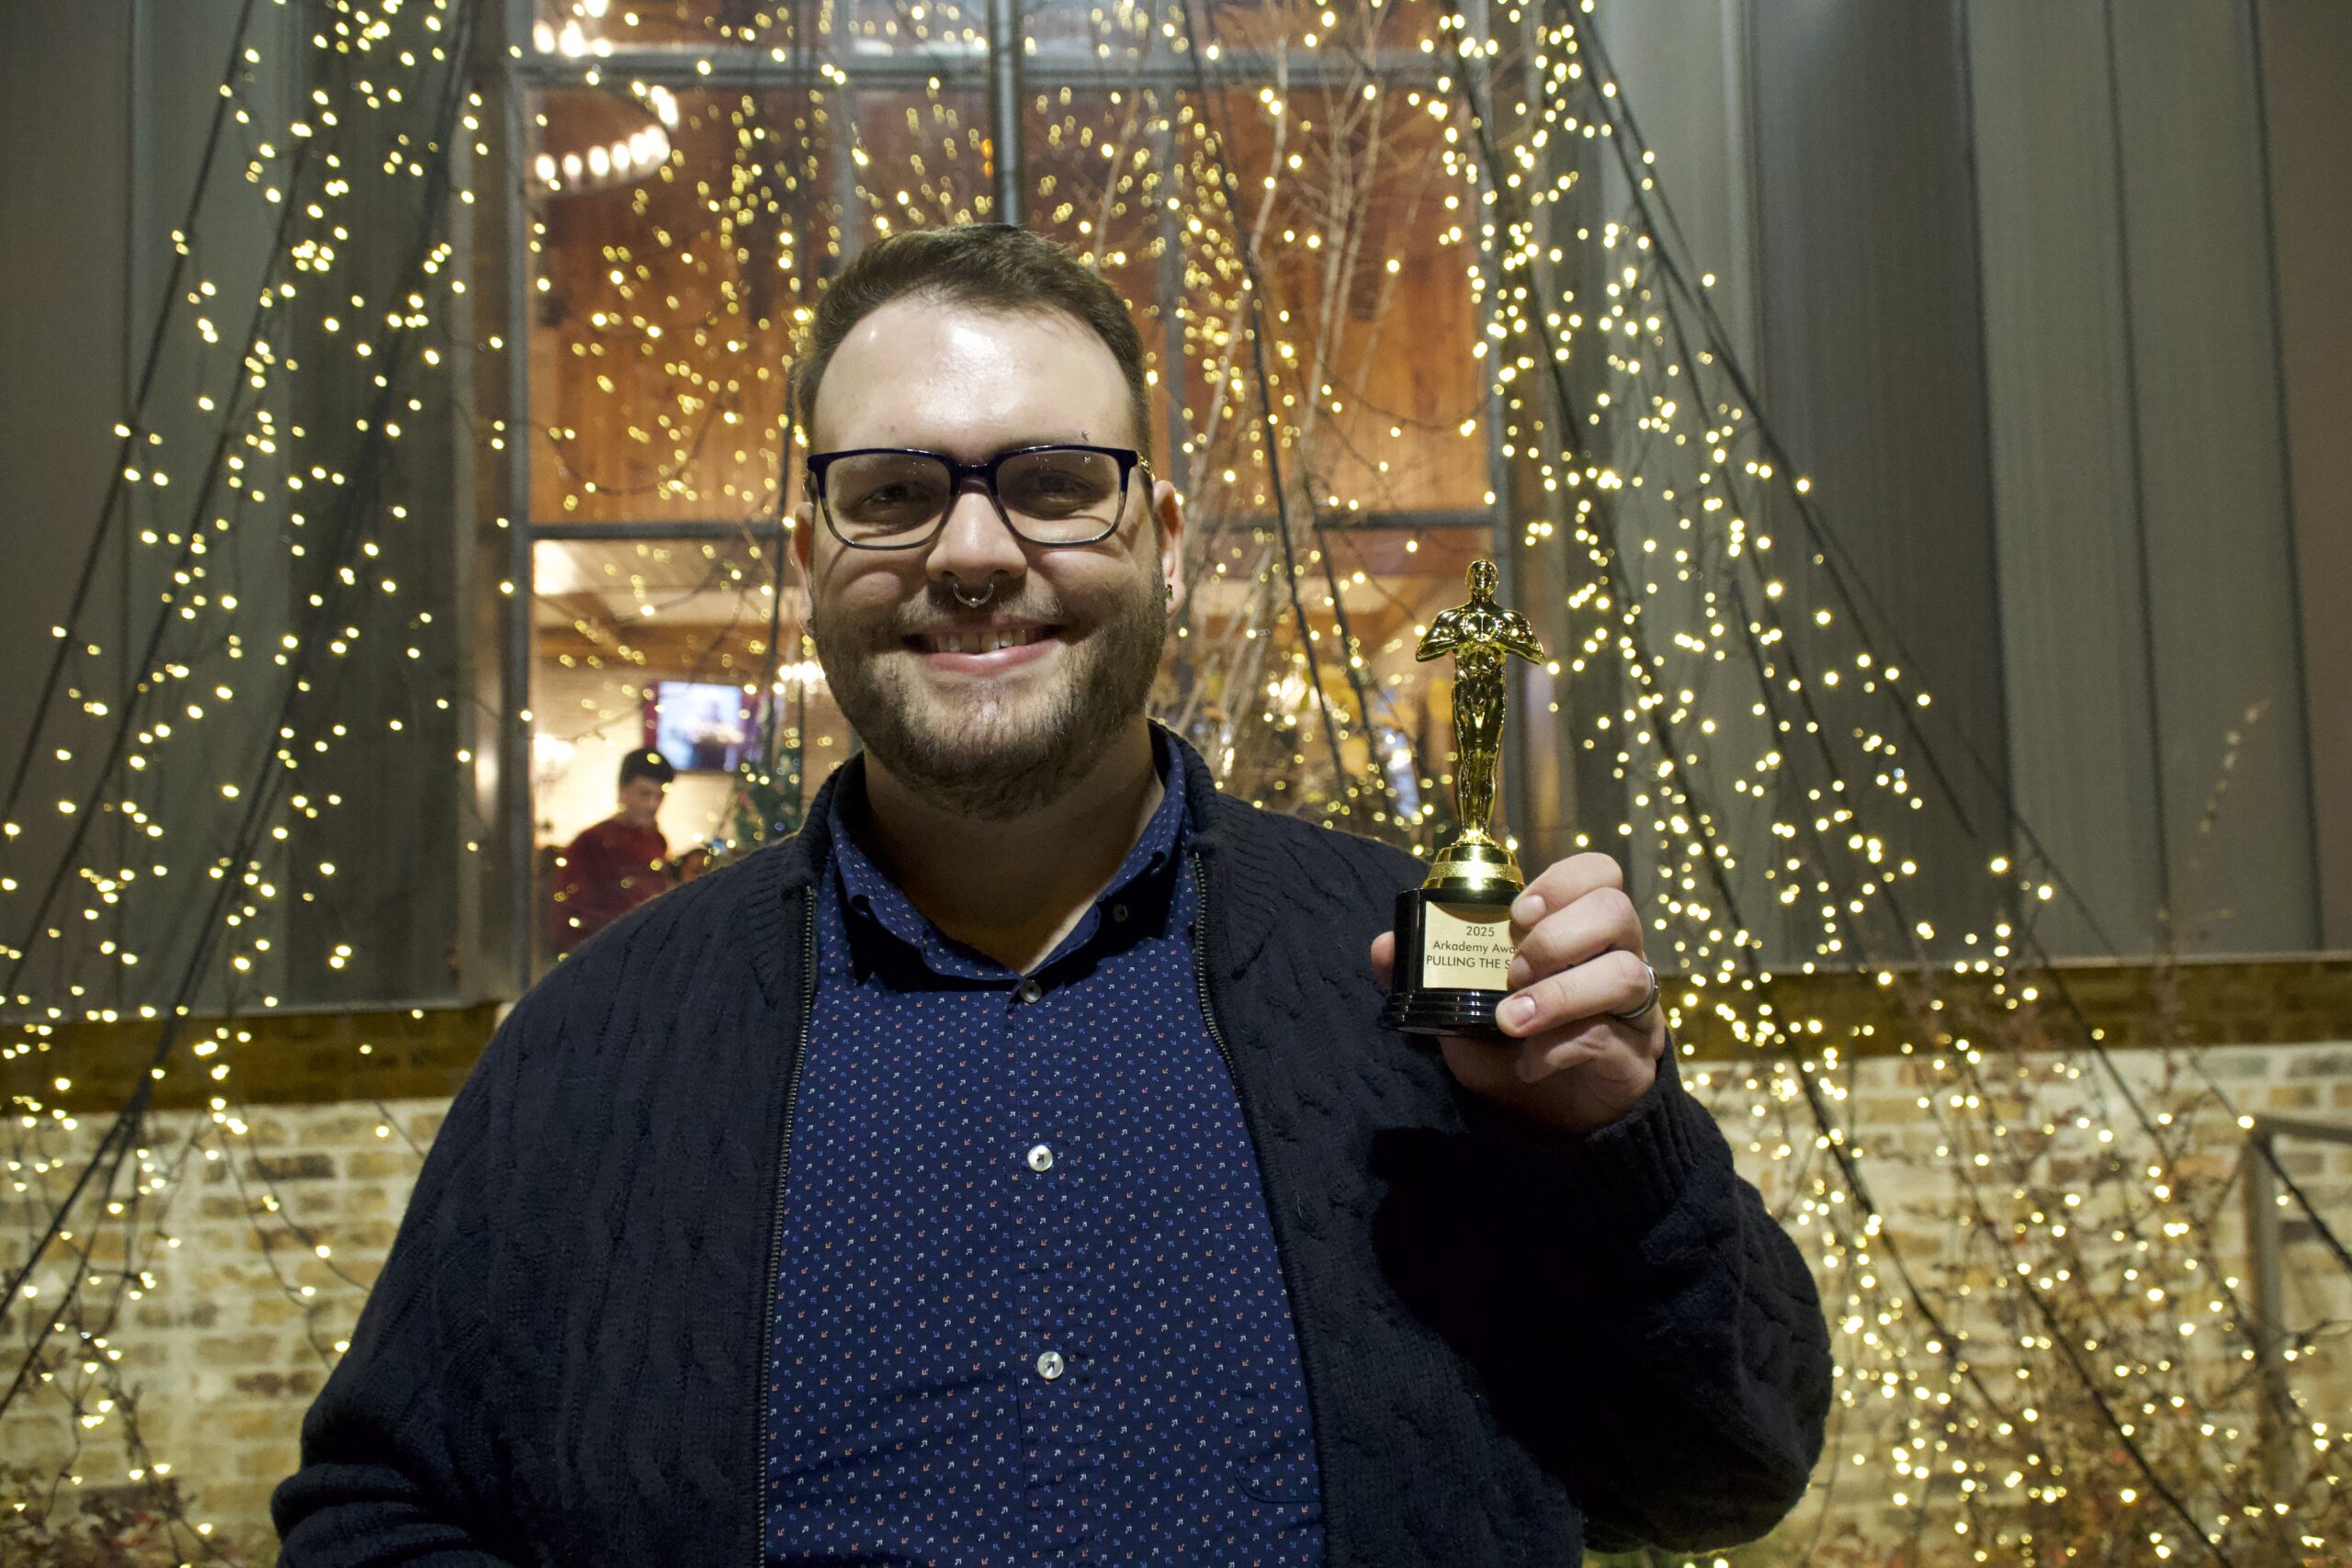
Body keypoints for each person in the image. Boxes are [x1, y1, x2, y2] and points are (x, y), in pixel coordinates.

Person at [274, 224, 1830, 1566]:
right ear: (810, 550)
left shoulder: (1424, 983)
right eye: (893, 490)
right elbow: (377, 1507)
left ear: (1163, 538)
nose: (971, 550)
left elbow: (1722, 1471)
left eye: (1055, 482)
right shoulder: (596, 1045)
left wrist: (1611, 1148)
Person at [547, 747, 674, 954]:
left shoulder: (657, 840)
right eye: (645, 794)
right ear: (623, 791)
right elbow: (570, 917)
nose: (653, 805)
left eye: (660, 796)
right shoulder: (591, 842)